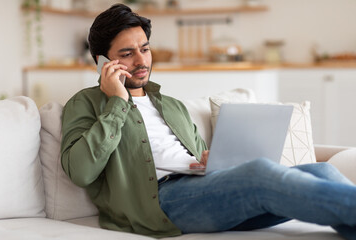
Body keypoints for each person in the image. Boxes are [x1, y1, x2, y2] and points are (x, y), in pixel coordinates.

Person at [61, 4, 356, 240]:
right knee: (260, 173)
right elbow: (81, 172)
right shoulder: (85, 104)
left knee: (323, 170)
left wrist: (209, 161)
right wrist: (117, 102)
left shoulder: (172, 106)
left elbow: (202, 159)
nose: (142, 60)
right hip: (161, 204)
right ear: (102, 62)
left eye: (145, 48)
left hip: (204, 190)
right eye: (127, 53)